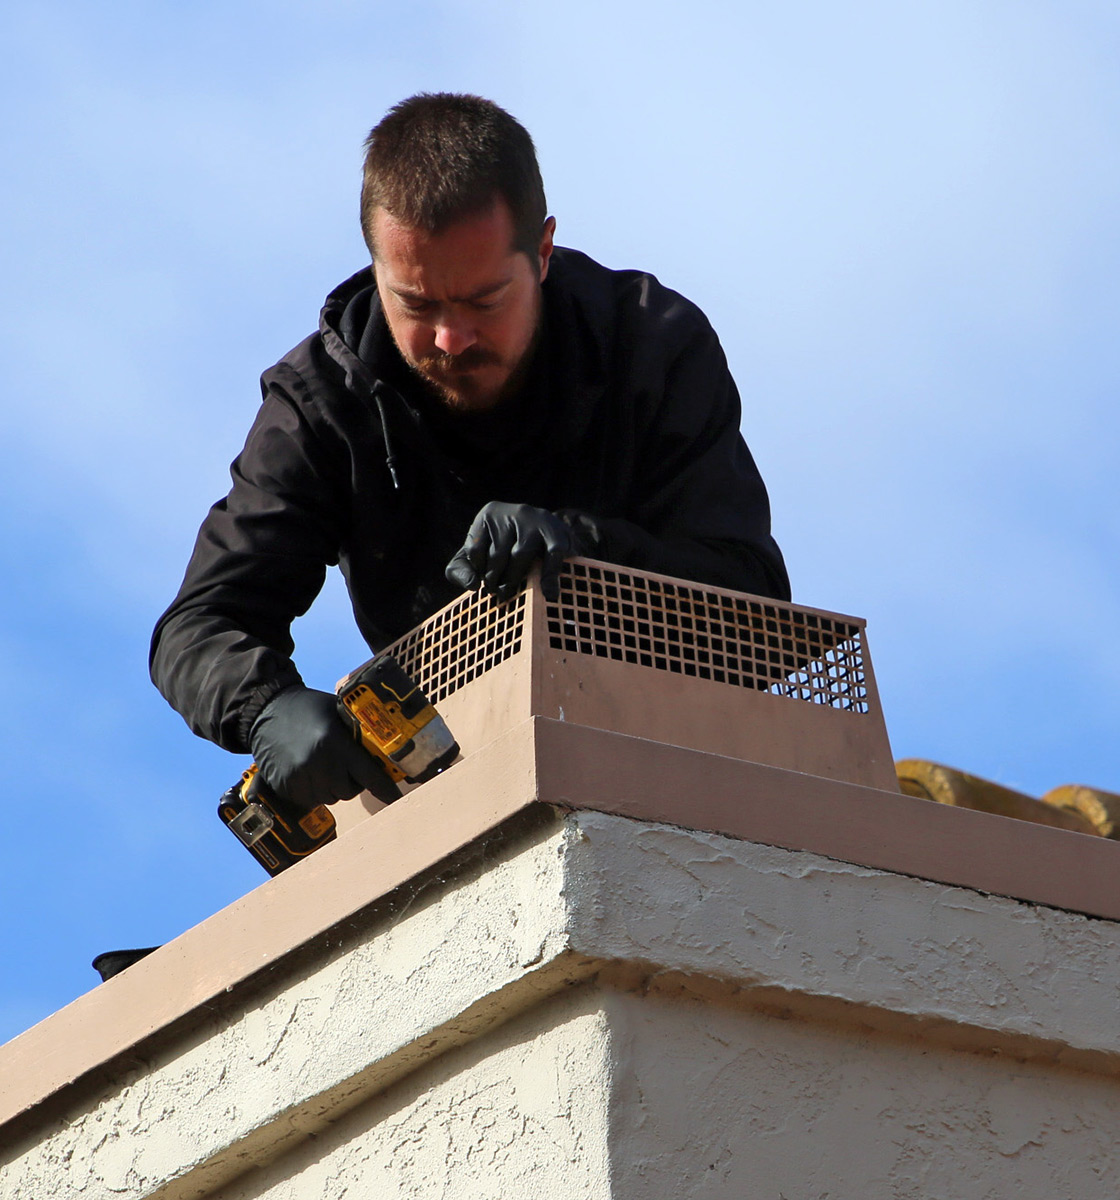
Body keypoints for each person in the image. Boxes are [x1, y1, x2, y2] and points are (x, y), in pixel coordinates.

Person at [150, 92, 789, 814]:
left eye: (484, 300)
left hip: (675, 758)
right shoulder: (321, 404)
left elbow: (756, 604)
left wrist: (581, 554)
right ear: (376, 268)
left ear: (542, 252)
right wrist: (266, 708)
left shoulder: (651, 343)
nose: (450, 339)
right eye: (417, 305)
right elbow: (197, 627)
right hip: (445, 789)